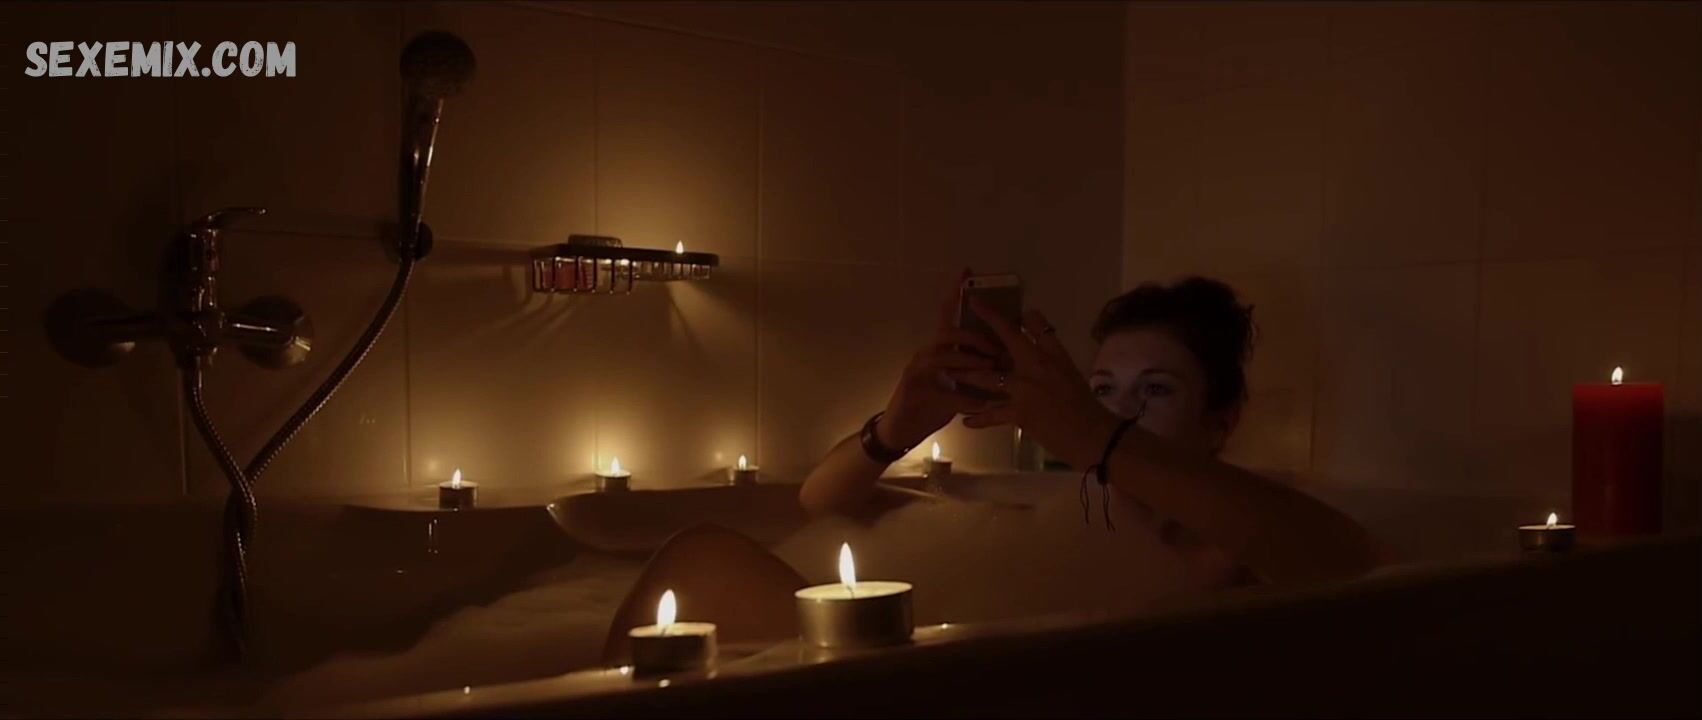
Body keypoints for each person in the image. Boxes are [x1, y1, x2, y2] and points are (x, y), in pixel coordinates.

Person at [603, 273, 1381, 662]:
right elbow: (821, 502)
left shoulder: (1227, 548)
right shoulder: (1066, 521)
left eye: (1155, 391)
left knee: (704, 567)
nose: (1119, 412)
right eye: (1102, 391)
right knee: (704, 559)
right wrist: (896, 427)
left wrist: (1099, 439)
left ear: (1222, 419)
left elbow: (1352, 566)